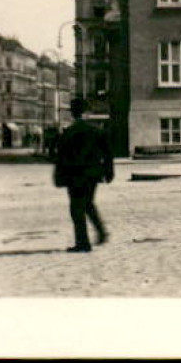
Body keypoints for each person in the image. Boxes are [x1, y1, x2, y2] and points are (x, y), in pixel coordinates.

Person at [54, 97, 114, 253]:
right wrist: (109, 172)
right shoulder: (96, 130)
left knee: (76, 208)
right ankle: (101, 232)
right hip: (93, 174)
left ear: (72, 113)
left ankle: (83, 243)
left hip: (74, 175)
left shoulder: (68, 133)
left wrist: (58, 177)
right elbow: (108, 153)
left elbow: (61, 157)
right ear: (86, 111)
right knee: (88, 203)